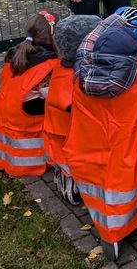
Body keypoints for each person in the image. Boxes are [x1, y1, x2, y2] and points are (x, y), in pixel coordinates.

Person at [64, 7, 137, 261]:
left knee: (101, 193)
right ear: (133, 58)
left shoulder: (80, 77)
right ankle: (118, 229)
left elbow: (85, 46)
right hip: (128, 160)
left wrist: (116, 18)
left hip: (87, 156)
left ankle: (107, 226)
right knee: (124, 194)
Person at [0, 10, 58, 177]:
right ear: (53, 34)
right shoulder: (48, 65)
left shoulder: (19, 54)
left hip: (8, 119)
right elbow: (54, 98)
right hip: (27, 128)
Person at [44, 14, 102, 206]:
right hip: (75, 154)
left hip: (63, 146)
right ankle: (73, 184)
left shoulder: (63, 69)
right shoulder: (78, 86)